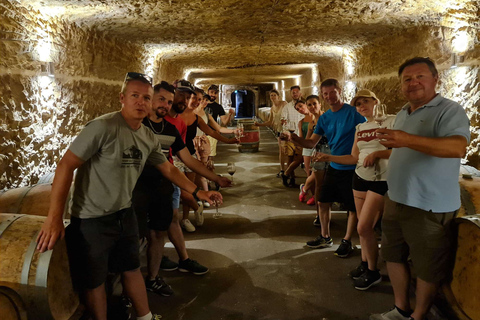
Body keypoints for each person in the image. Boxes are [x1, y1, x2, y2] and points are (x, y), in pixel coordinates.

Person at [35, 72, 222, 320]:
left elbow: (168, 168)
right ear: (122, 98)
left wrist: (199, 191)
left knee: (131, 268)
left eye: (146, 97)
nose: (141, 102)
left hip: (124, 213)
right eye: (135, 96)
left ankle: (145, 317)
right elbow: (66, 166)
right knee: (95, 281)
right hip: (92, 218)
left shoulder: (146, 136)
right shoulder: (102, 127)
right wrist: (54, 217)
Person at [370, 57, 470, 320]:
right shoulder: (404, 112)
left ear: (436, 80)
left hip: (429, 204)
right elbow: (405, 150)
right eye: (407, 79)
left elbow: (457, 148)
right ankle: (401, 309)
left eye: (420, 77)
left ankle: (419, 316)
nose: (413, 82)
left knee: (428, 267)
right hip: (397, 198)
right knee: (393, 255)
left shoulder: (449, 110)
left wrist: (406, 139)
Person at [132, 81, 232, 297]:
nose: (167, 105)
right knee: (132, 239)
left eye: (170, 101)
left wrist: (215, 179)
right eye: (163, 99)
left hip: (161, 188)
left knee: (160, 232)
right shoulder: (136, 125)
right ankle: (127, 291)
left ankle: (152, 279)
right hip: (133, 191)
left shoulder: (170, 129)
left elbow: (186, 159)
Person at [315, 89, 395, 290]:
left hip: (381, 179)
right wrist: (329, 158)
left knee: (363, 227)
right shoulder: (360, 127)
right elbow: (353, 157)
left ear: (376, 101)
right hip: (360, 178)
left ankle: (374, 271)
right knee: (363, 227)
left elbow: (401, 150)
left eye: (366, 102)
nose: (362, 107)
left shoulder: (391, 122)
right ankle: (365, 263)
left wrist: (377, 154)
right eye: (358, 104)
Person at [285, 79, 366, 257]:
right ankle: (325, 236)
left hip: (352, 167)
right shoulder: (325, 118)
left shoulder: (353, 113)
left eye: (332, 92)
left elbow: (367, 132)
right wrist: (293, 138)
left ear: (339, 91)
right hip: (334, 166)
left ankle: (346, 240)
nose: (329, 96)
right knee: (323, 201)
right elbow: (311, 142)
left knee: (352, 207)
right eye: (326, 93)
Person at [178, 81, 237, 231]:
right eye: (194, 98)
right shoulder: (175, 116)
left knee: (189, 189)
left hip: (188, 155)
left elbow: (212, 132)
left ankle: (185, 218)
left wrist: (229, 141)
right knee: (182, 193)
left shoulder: (196, 118)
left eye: (199, 99)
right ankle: (196, 206)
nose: (196, 102)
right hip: (174, 156)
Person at [299, 95, 327, 208]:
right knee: (318, 180)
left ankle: (305, 189)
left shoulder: (327, 117)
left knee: (322, 179)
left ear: (320, 104)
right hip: (318, 152)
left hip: (331, 152)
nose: (312, 106)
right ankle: (318, 207)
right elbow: (308, 142)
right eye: (309, 105)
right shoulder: (312, 123)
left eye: (314, 103)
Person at [254, 89, 287, 177]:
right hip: (279, 131)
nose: (272, 97)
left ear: (278, 96)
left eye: (274, 95)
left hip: (287, 130)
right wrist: (259, 124)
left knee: (288, 151)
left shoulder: (284, 104)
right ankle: (282, 170)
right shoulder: (272, 108)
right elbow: (270, 121)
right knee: (281, 151)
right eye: (271, 95)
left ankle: (289, 170)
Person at [280, 86, 305, 187]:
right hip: (290, 135)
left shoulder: (305, 105)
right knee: (290, 157)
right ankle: (292, 179)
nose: (295, 94)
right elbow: (283, 121)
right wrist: (286, 129)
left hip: (301, 136)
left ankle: (286, 174)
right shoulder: (287, 107)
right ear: (291, 94)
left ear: (300, 93)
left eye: (297, 92)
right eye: (293, 92)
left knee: (299, 158)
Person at [205, 84, 235, 164]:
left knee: (210, 159)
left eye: (215, 93)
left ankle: (209, 174)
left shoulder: (218, 107)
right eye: (211, 92)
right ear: (207, 92)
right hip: (200, 134)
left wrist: (229, 115)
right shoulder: (200, 105)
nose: (213, 95)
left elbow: (224, 122)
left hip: (212, 134)